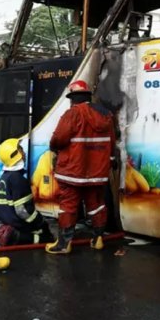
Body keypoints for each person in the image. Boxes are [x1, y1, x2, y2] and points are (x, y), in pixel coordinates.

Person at [45, 80, 116, 254]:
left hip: (73, 172)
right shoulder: (106, 115)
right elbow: (112, 142)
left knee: (68, 205)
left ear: (73, 98)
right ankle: (98, 238)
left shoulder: (73, 114)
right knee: (96, 204)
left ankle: (64, 244)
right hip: (97, 172)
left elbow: (58, 139)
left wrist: (53, 147)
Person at [0, 139, 54, 247]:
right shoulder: (18, 180)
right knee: (45, 236)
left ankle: (8, 231)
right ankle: (15, 237)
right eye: (20, 150)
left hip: (7, 219)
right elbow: (23, 211)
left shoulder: (5, 177)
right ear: (15, 155)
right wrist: (40, 222)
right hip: (18, 222)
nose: (23, 153)